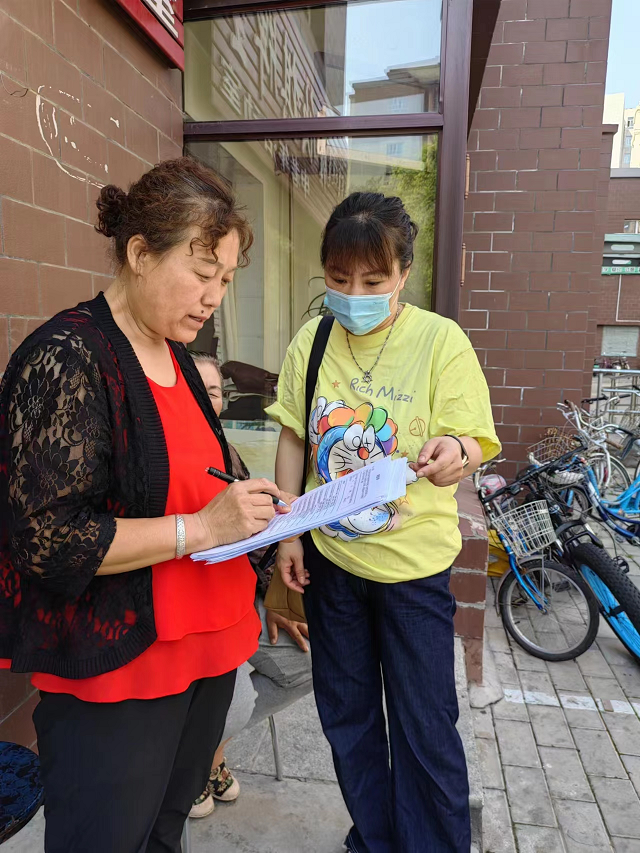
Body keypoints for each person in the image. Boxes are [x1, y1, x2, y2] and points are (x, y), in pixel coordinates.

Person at [0, 157, 295, 853]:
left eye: (226, 280)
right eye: (202, 272)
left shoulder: (179, 356)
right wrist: (202, 527)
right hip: (125, 673)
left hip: (211, 652)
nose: (213, 297)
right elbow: (46, 539)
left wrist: (267, 508)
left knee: (165, 834)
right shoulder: (68, 356)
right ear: (139, 253)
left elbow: (205, 473)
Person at [267, 192, 501, 853]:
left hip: (413, 573)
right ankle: (375, 839)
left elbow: (473, 439)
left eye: (373, 281)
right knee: (348, 719)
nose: (354, 295)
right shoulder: (313, 340)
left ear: (404, 272)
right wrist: (289, 532)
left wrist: (456, 453)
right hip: (332, 566)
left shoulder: (440, 341)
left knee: (425, 724)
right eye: (339, 279)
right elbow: (292, 435)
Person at [188, 352, 312, 818]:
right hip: (194, 614)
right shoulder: (159, 455)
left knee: (312, 659)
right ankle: (196, 761)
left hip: (241, 599)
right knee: (234, 703)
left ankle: (202, 748)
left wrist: (274, 597)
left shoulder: (226, 450)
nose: (207, 400)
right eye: (195, 390)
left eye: (214, 391)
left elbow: (257, 544)